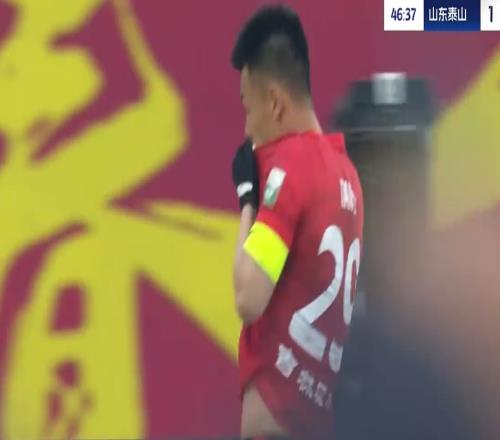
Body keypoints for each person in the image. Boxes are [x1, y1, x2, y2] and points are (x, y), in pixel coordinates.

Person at [230, 5, 364, 440]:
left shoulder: (291, 167)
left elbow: (249, 296)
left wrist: (248, 200)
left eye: (248, 107)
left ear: (274, 102)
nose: (247, 130)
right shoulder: (347, 175)